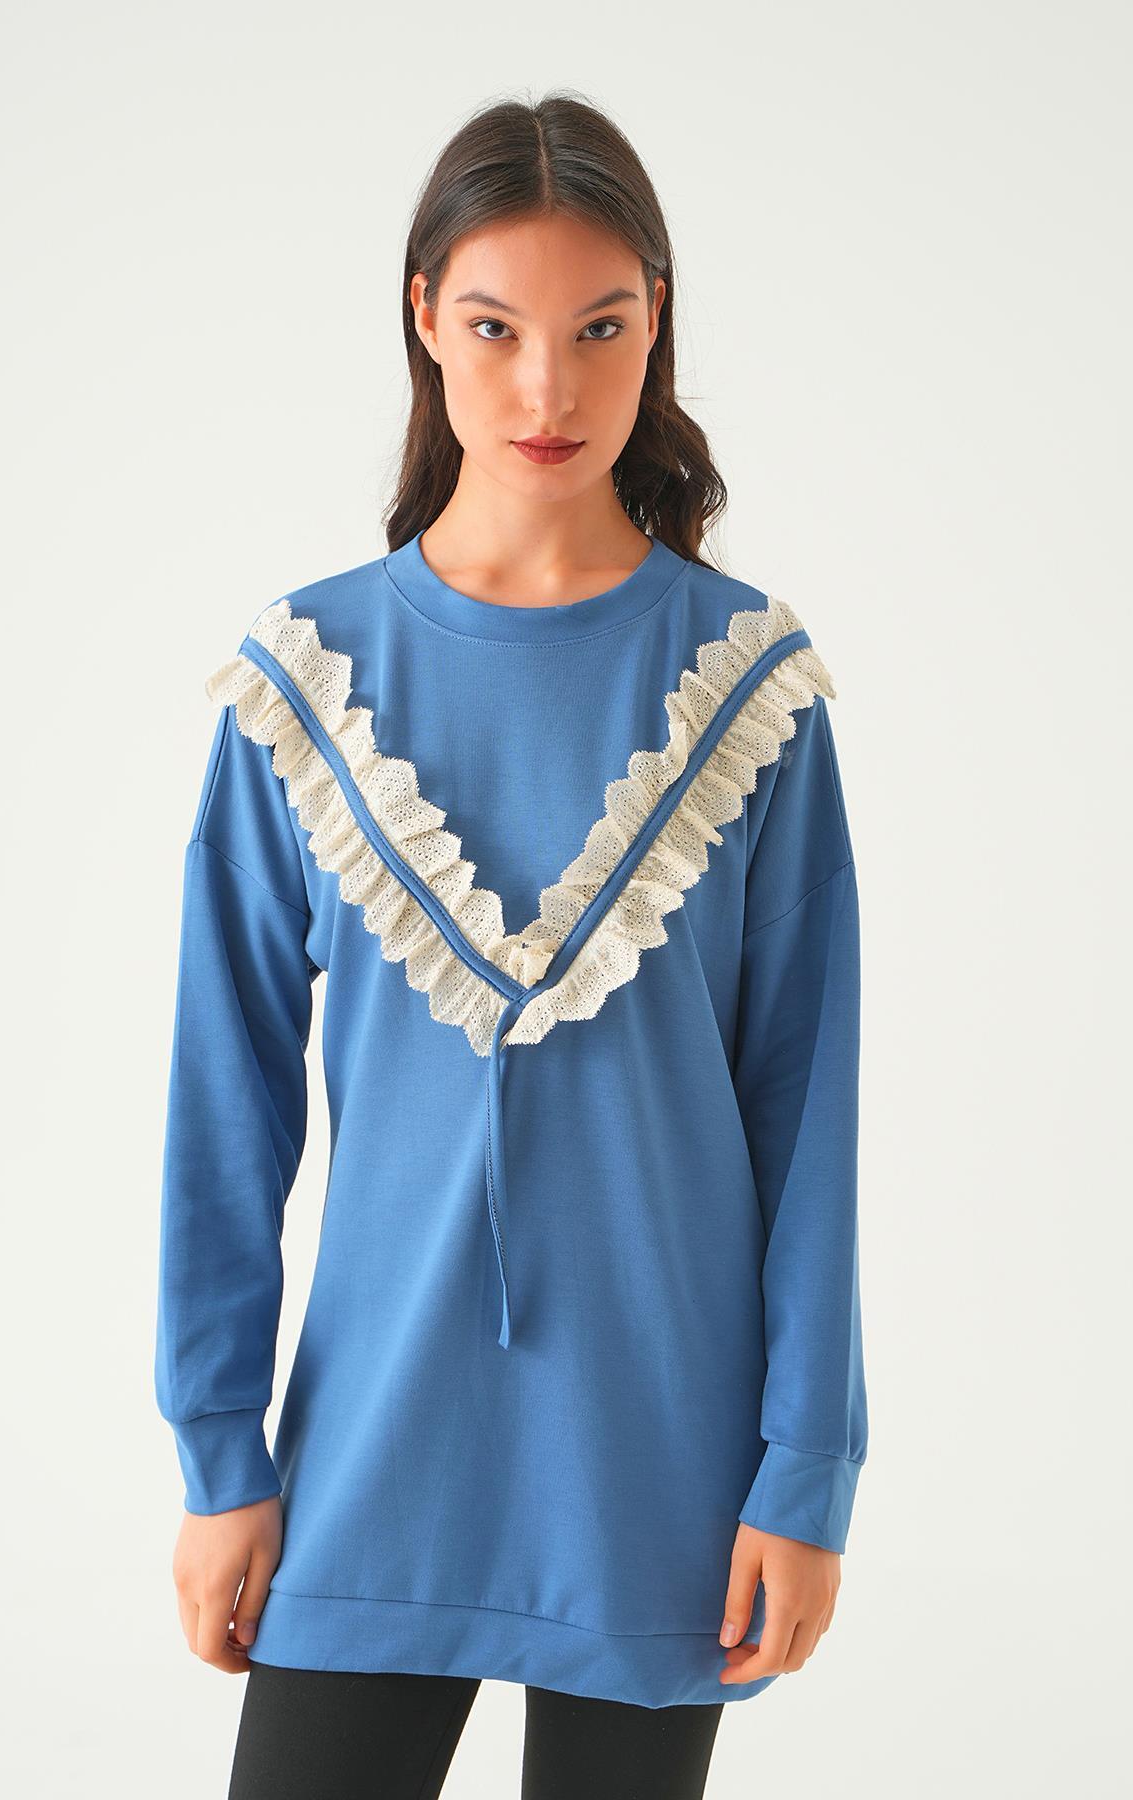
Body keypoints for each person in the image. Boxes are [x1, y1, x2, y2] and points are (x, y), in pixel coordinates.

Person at [154, 89, 868, 1800]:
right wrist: (218, 1451)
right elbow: (224, 1109)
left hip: (666, 1456)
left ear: (657, 323)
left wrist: (807, 1471)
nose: (549, 390)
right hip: (369, 1441)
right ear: (424, 317)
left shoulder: (752, 688)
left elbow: (808, 1110)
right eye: (496, 328)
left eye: (599, 329)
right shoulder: (301, 680)